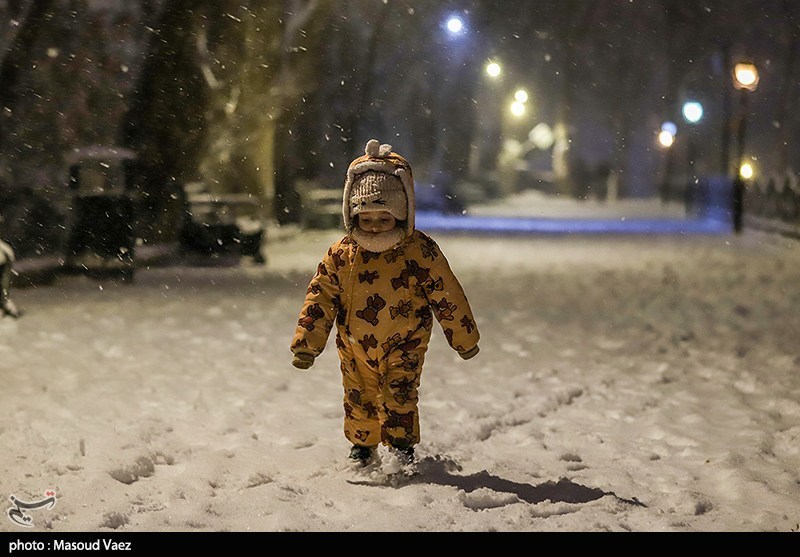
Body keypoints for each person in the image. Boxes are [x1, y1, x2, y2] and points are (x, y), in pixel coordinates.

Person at [290, 139, 480, 468]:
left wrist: (464, 338)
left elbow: (445, 292)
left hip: (406, 338)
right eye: (366, 219)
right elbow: (320, 297)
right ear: (352, 216)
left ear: (402, 215)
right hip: (355, 341)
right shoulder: (342, 255)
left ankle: (402, 445)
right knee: (358, 392)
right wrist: (307, 343)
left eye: (384, 219)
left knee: (400, 392)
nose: (375, 227)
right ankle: (362, 445)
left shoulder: (419, 251)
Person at [1, 239, 21, 318]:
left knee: (3, 286)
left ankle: (5, 305)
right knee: (3, 287)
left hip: (3, 263)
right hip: (4, 262)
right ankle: (6, 306)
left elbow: (9, 255)